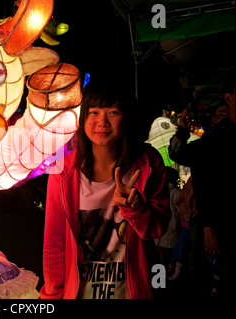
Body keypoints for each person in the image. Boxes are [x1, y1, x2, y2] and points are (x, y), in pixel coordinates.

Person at [40, 77, 171, 299]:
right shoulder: (63, 172)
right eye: (93, 112)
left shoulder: (148, 163)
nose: (102, 122)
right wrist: (52, 295)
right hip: (80, 293)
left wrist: (135, 209)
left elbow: (157, 230)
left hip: (132, 291)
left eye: (113, 112)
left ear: (127, 117)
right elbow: (54, 242)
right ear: (82, 118)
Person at [169, 69, 235, 298]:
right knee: (204, 272)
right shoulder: (216, 138)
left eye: (222, 115)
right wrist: (208, 228)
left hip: (213, 224)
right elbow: (182, 157)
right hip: (213, 224)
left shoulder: (218, 137)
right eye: (217, 114)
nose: (218, 119)